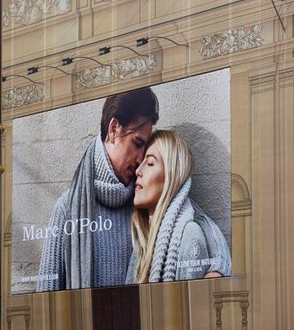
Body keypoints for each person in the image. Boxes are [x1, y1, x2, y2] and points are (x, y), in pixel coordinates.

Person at [37, 88, 159, 292]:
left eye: (144, 149)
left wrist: (217, 260)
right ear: (113, 129)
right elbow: (45, 300)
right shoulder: (67, 209)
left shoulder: (144, 201)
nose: (140, 158)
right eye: (137, 143)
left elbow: (185, 212)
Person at [128, 129, 231, 283]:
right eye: (140, 163)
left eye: (149, 163)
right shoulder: (142, 241)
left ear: (171, 178)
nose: (138, 171)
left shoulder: (189, 236)